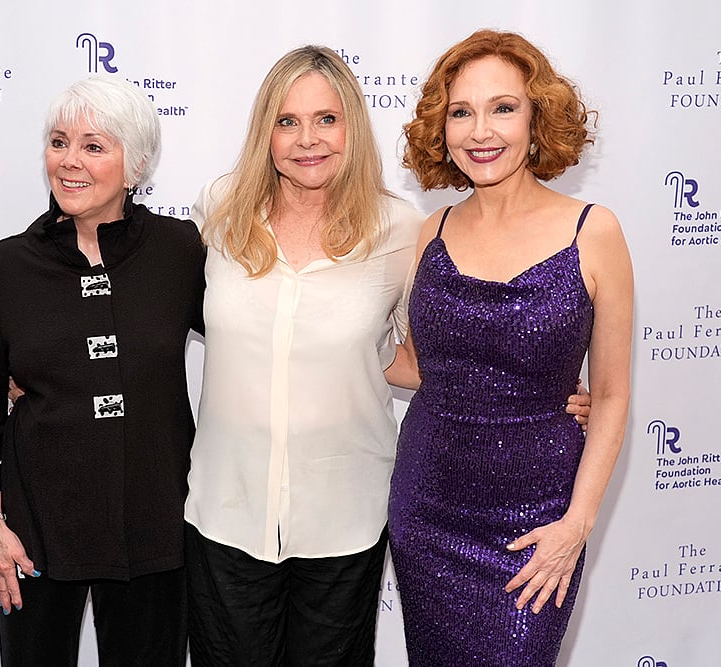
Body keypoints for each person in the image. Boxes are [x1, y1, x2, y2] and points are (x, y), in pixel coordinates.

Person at [182, 46, 591, 666]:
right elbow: (151, 304)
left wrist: (540, 394)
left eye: (327, 119)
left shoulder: (402, 231)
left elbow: (437, 355)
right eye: (286, 121)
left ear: (353, 126)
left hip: (346, 520)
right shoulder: (218, 210)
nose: (307, 140)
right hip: (223, 514)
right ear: (264, 130)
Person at [387, 29, 633, 666]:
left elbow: (608, 395)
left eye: (503, 107)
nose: (481, 131)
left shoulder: (593, 231)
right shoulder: (430, 231)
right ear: (442, 128)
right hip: (427, 508)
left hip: (541, 519)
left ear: (536, 116)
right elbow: (418, 366)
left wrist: (577, 525)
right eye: (461, 112)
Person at [0, 75, 205, 666]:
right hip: (34, 529)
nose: (70, 162)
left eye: (94, 146)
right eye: (59, 141)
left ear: (136, 165)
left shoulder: (179, 250)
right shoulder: (7, 265)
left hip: (156, 521)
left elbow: (249, 338)